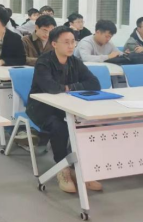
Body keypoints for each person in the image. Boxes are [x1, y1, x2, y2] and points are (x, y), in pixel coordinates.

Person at [26, 26, 102, 193]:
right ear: (54, 44)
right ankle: (63, 169)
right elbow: (51, 87)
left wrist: (68, 87)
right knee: (59, 126)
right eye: (66, 42)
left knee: (87, 124)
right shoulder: (44, 62)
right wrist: (74, 87)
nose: (71, 46)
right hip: (41, 108)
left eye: (73, 42)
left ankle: (83, 169)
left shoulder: (74, 62)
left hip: (68, 106)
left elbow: (95, 83)